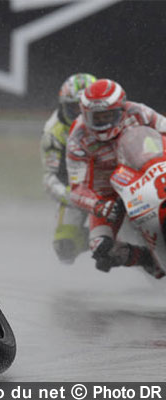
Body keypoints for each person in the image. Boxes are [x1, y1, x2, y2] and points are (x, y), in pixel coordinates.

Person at [66, 78, 166, 276]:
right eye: (96, 118)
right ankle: (147, 259)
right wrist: (99, 205)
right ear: (85, 115)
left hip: (144, 171)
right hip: (106, 194)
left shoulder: (138, 112)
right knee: (100, 247)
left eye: (108, 116)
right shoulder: (77, 138)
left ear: (121, 109)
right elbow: (76, 190)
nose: (103, 122)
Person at [40, 73, 97, 264]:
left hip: (115, 179)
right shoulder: (52, 133)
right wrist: (76, 198)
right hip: (76, 187)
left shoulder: (115, 116)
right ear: (63, 106)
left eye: (85, 108)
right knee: (64, 247)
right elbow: (50, 179)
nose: (80, 116)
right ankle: (104, 241)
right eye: (74, 108)